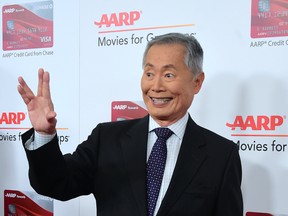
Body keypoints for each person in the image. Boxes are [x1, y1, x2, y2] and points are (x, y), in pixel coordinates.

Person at [18, 33, 243, 216]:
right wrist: (43, 134)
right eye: (149, 73)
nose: (155, 86)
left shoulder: (221, 155)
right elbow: (55, 184)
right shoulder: (106, 138)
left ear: (196, 82)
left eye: (168, 74)